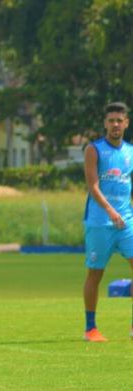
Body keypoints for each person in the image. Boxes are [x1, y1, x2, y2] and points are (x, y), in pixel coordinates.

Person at [81, 102, 133, 342]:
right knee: (96, 273)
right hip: (100, 222)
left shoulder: (130, 152)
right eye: (111, 120)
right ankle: (90, 328)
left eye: (119, 120)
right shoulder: (94, 150)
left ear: (126, 123)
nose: (115, 124)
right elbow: (93, 186)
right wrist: (111, 211)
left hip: (126, 222)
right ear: (105, 123)